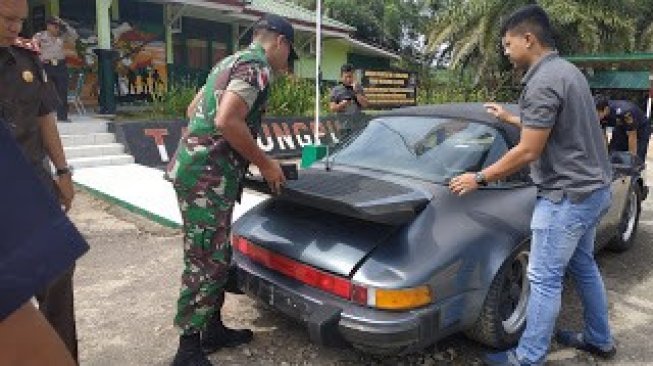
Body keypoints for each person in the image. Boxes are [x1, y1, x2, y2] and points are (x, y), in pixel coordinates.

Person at [448, 5, 615, 365]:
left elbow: (528, 150)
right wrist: (510, 116)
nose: (506, 52)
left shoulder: (541, 81)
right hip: (595, 190)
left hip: (566, 196)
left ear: (529, 39)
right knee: (583, 264)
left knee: (543, 278)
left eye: (508, 44)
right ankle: (600, 339)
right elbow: (551, 123)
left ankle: (529, 357)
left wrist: (479, 177)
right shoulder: (566, 72)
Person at [166, 14, 297, 366]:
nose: (287, 62)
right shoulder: (256, 67)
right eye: (290, 53)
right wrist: (266, 163)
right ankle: (188, 350)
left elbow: (194, 109)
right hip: (208, 178)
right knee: (206, 258)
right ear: (281, 43)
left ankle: (211, 329)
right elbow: (226, 120)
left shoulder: (228, 61)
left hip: (199, 173)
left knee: (215, 251)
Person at [0, 0, 79, 362]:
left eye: (20, 20)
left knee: (58, 273)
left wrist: (63, 173)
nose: (16, 27)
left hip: (31, 187)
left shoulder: (26, 60)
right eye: (6, 18)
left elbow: (45, 116)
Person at [33, 15, 78, 122]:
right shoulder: (40, 36)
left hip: (60, 66)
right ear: (48, 26)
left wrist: (64, 24)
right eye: (54, 26)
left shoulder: (62, 36)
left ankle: (63, 116)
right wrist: (39, 58)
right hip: (46, 66)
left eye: (58, 26)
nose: (57, 28)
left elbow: (75, 36)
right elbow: (32, 47)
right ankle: (41, 117)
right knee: (42, 90)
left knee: (62, 91)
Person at [595, 95, 651, 162]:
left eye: (598, 114)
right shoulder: (598, 113)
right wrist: (605, 157)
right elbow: (603, 136)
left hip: (641, 128)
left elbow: (632, 135)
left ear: (606, 109)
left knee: (637, 158)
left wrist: (631, 160)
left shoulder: (625, 112)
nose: (596, 117)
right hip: (620, 126)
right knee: (613, 154)